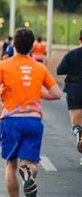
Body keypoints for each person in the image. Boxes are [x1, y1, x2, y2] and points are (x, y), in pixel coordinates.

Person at [0, 28, 62, 197]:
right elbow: (57, 94)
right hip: (33, 121)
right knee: (30, 163)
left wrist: (0, 92)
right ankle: (27, 172)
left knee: (10, 165)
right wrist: (37, 92)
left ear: (13, 44)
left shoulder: (2, 66)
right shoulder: (40, 67)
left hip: (11, 120)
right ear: (32, 47)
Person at [57, 29, 82, 165]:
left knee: (76, 123)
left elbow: (59, 70)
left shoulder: (71, 55)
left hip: (75, 91)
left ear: (80, 39)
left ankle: (78, 131)